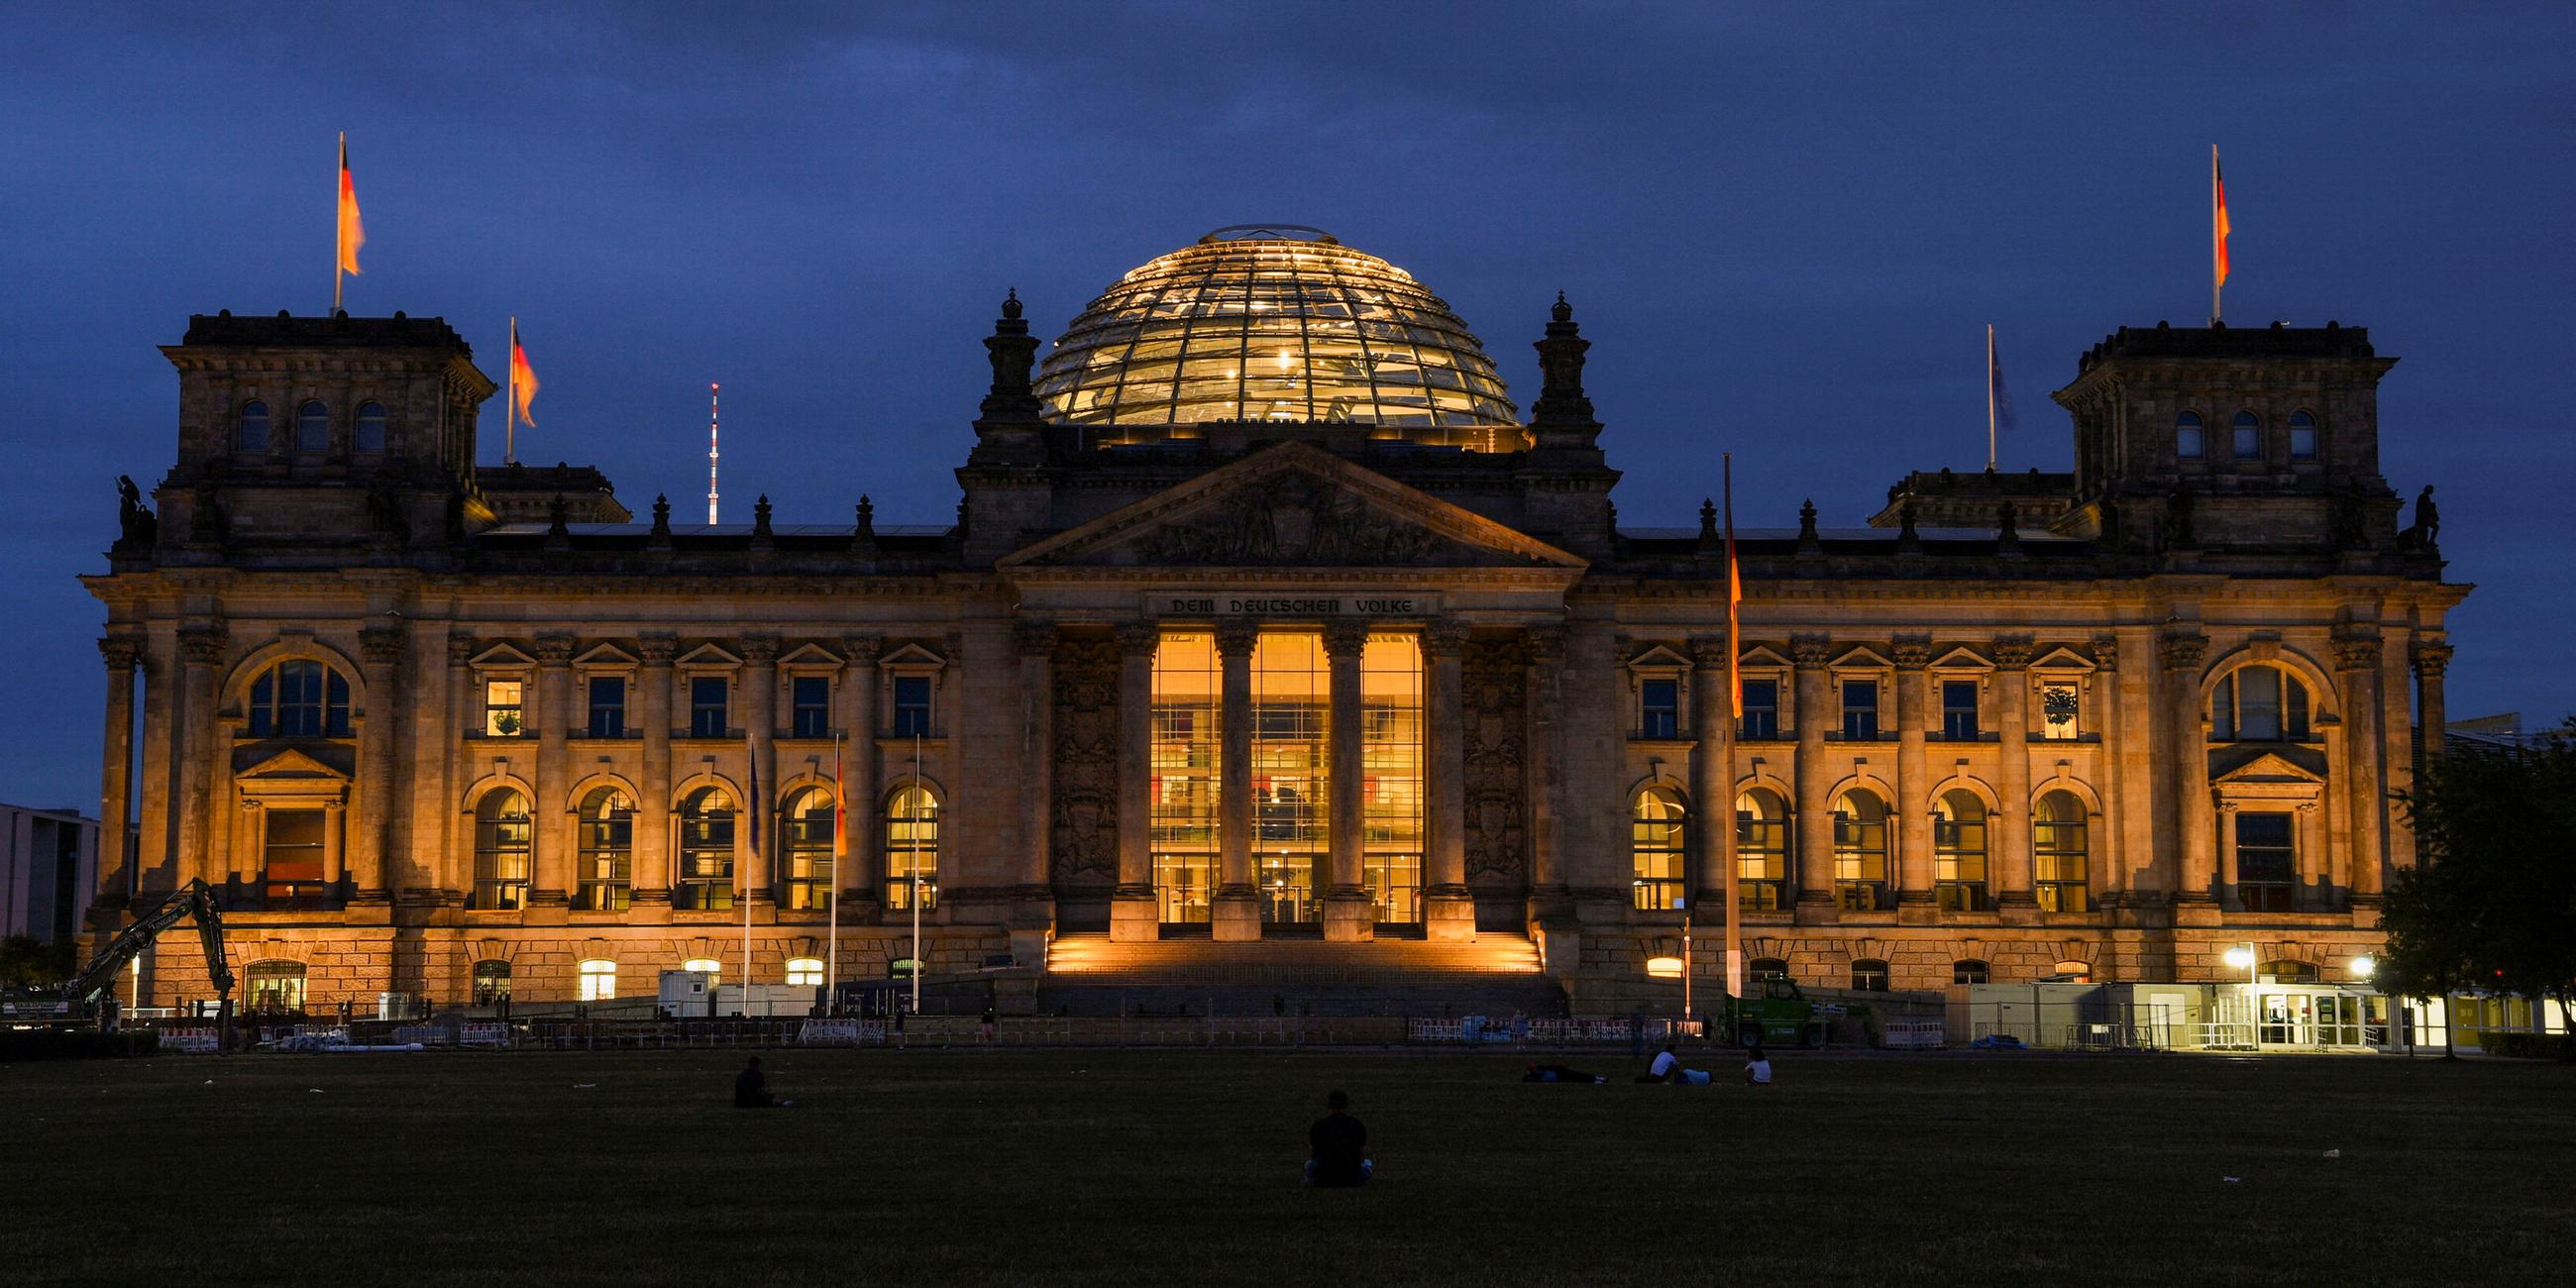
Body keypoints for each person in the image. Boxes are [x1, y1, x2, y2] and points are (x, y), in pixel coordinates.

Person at [1305, 1090, 1371, 1187]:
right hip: (1351, 1176)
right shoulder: (1356, 1125)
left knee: (1309, 1165)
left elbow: (1313, 1155)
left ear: (1328, 1106)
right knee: (1368, 1163)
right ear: (1346, 1106)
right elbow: (1361, 1155)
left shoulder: (1319, 1125)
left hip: (1324, 1176)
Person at [1522, 1062, 1605, 1084]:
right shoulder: (1535, 1076)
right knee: (1578, 1078)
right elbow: (1524, 1080)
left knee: (1578, 1075)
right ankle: (1596, 1080)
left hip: (1560, 1073)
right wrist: (1528, 1074)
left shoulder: (1539, 1069)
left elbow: (1552, 1067)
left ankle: (1597, 1079)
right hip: (1560, 1077)